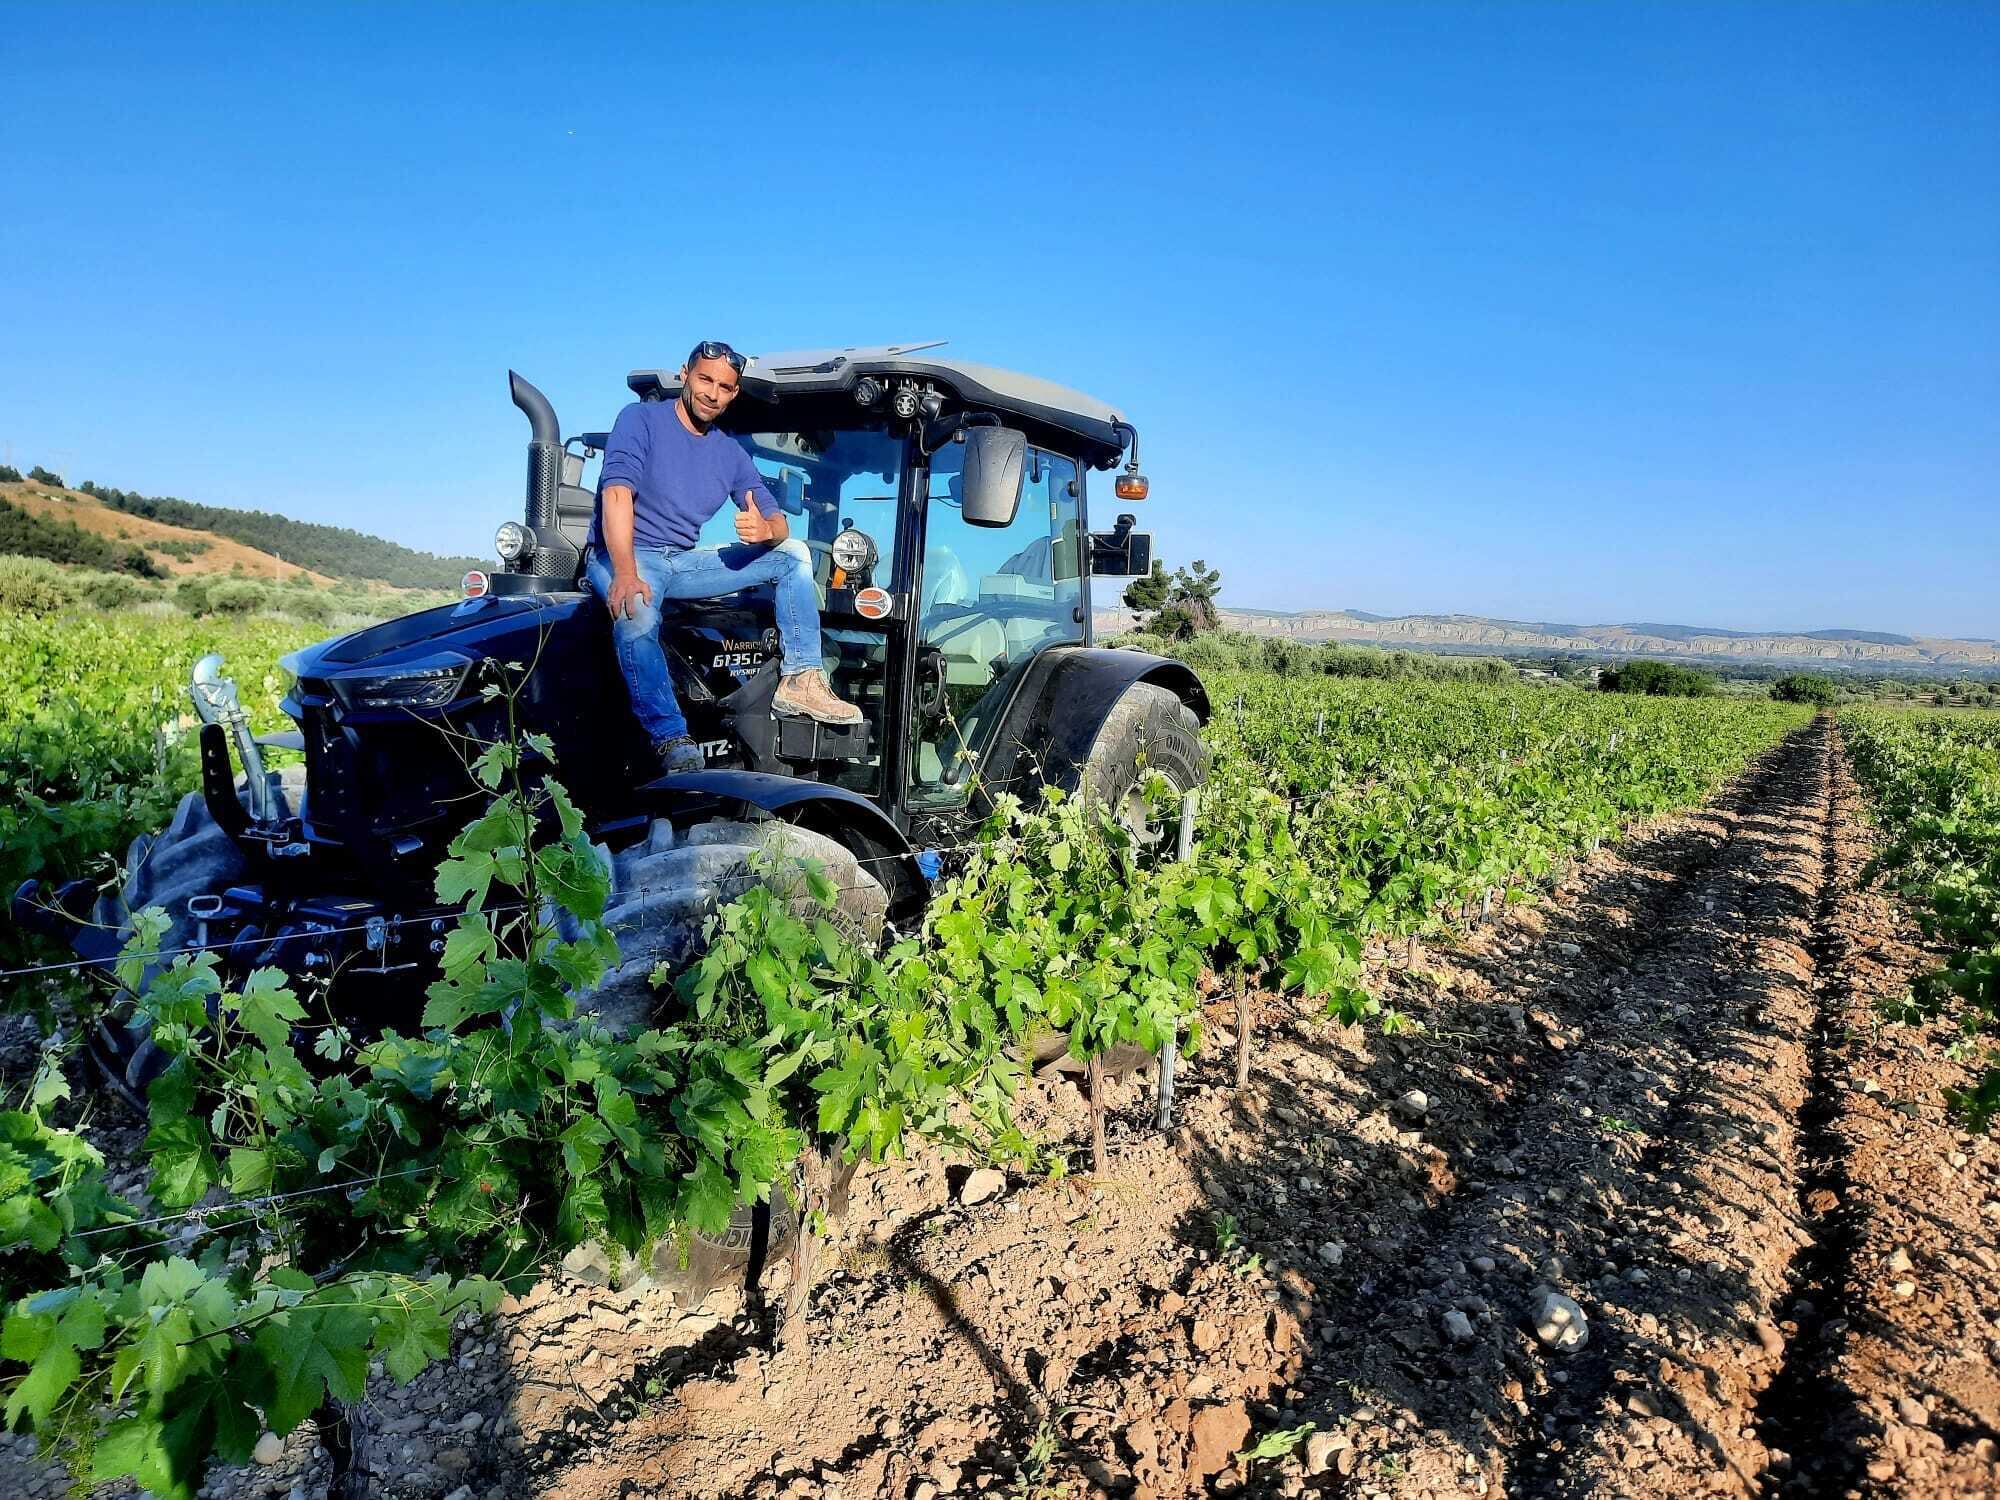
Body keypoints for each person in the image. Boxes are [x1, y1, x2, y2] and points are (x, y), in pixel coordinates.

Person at [585, 340, 861, 774]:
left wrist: (766, 529)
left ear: (734, 394)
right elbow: (617, 492)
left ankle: (802, 678)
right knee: (636, 612)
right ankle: (671, 738)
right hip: (627, 554)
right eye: (705, 379)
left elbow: (778, 521)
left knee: (792, 555)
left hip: (683, 561)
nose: (713, 393)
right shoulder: (640, 420)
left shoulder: (728, 452)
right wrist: (623, 572)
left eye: (725, 387)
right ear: (685, 375)